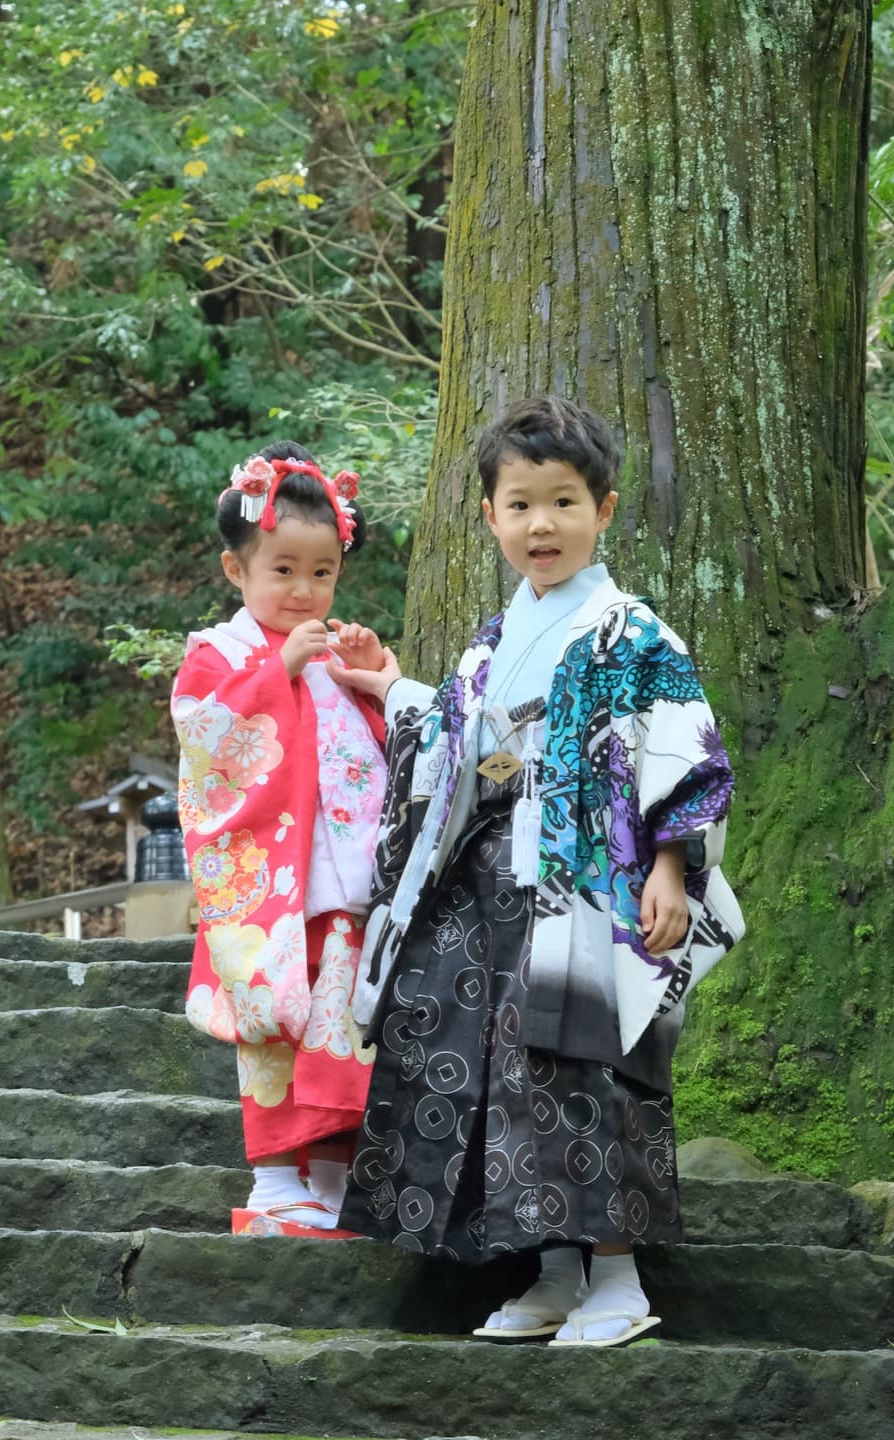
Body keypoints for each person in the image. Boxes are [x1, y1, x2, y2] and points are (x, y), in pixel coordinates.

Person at [330, 396, 744, 1342]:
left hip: (583, 885)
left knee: (582, 1060)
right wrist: (389, 685)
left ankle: (620, 1281)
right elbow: (453, 741)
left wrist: (670, 870)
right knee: (493, 1072)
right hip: (482, 883)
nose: (541, 524)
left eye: (563, 502)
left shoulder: (632, 632)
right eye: (519, 504)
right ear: (490, 517)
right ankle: (552, 1270)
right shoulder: (489, 641)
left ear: (603, 509)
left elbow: (687, 754)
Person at [171, 440, 389, 1235]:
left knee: (343, 1033)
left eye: (321, 572)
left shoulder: (332, 651)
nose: (304, 591)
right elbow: (205, 743)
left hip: (346, 882)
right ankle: (272, 1182)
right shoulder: (218, 654)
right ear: (237, 571)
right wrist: (276, 677)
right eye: (283, 570)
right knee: (271, 1029)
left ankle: (331, 1180)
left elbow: (377, 752)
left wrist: (374, 681)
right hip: (268, 887)